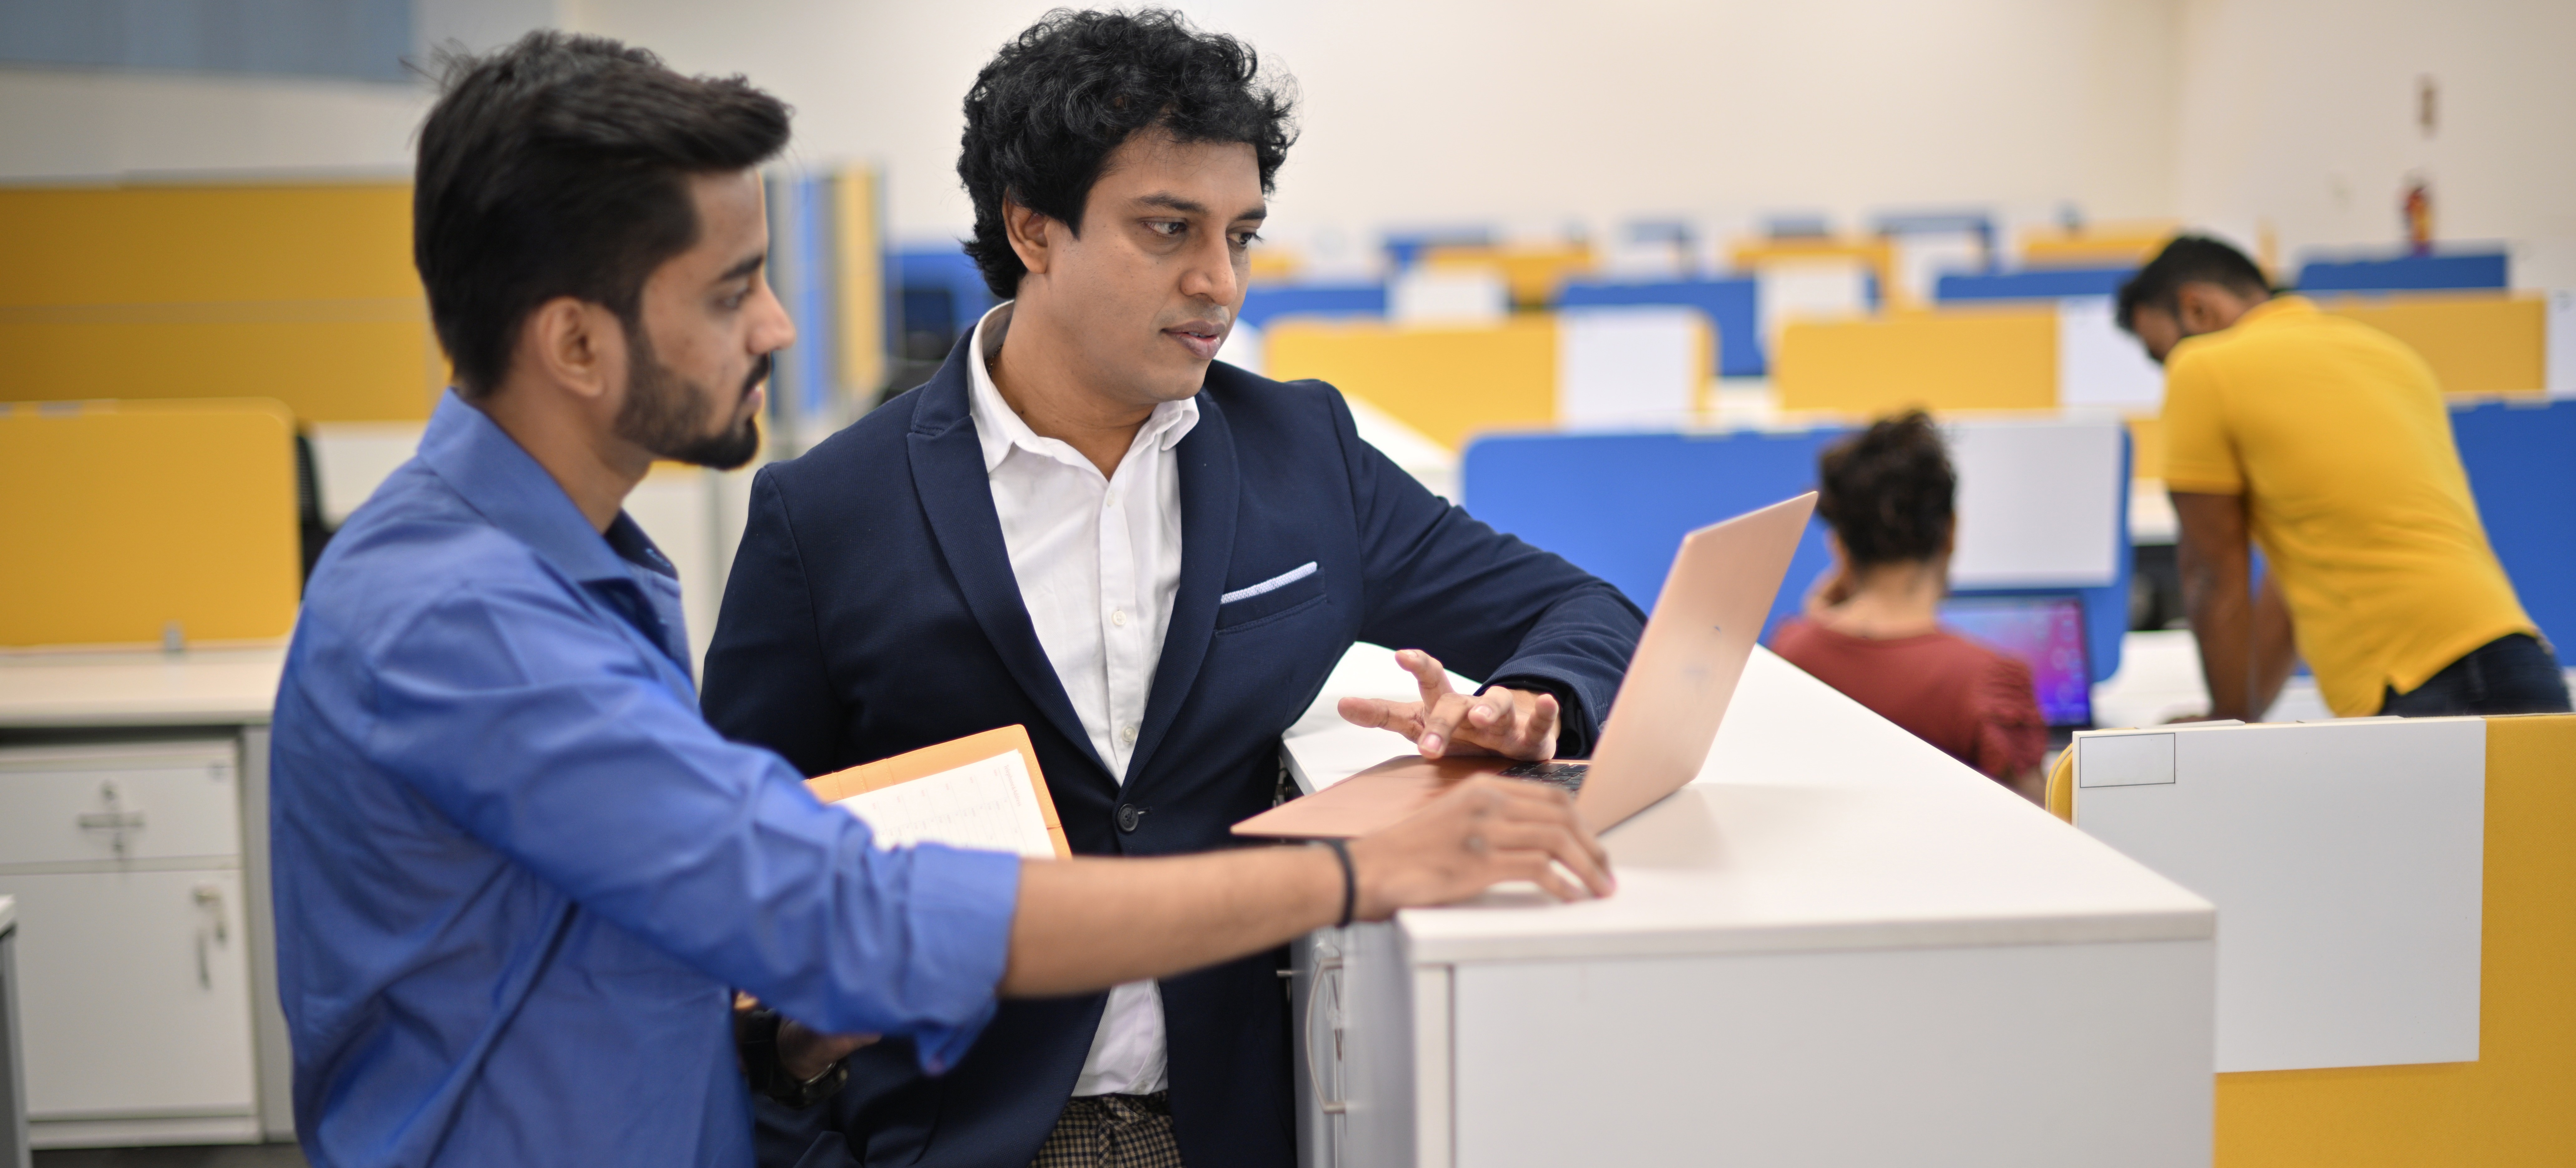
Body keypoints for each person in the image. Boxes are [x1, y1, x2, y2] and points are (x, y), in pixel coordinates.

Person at [266, 32, 1614, 1168]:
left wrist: (781, 1030)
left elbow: (685, 920)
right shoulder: (465, 620)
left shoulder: (585, 565)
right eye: (735, 288)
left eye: (1240, 233)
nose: (782, 326)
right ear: (574, 339)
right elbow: (831, 899)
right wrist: (1344, 867)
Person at [701, 10, 1646, 1166]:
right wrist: (798, 1092)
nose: (1218, 282)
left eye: (1240, 235)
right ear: (1031, 227)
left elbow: (1589, 610)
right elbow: (726, 891)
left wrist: (1533, 700)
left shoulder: (1299, 453)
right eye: (1168, 230)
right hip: (951, 1133)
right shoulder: (828, 513)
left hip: (1238, 1123)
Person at [2115, 235, 2569, 719]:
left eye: (2160, 354)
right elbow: (2297, 578)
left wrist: (2224, 732)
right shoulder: (2388, 355)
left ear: (2197, 308)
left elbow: (2211, 572)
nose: (2168, 370)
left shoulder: (2204, 367)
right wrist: (2239, 719)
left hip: (2425, 685)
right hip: (2522, 664)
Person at [1769, 412, 2048, 801]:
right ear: (1951, 531)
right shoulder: (1988, 682)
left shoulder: (1793, 650)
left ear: (1840, 547)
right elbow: (2044, 837)